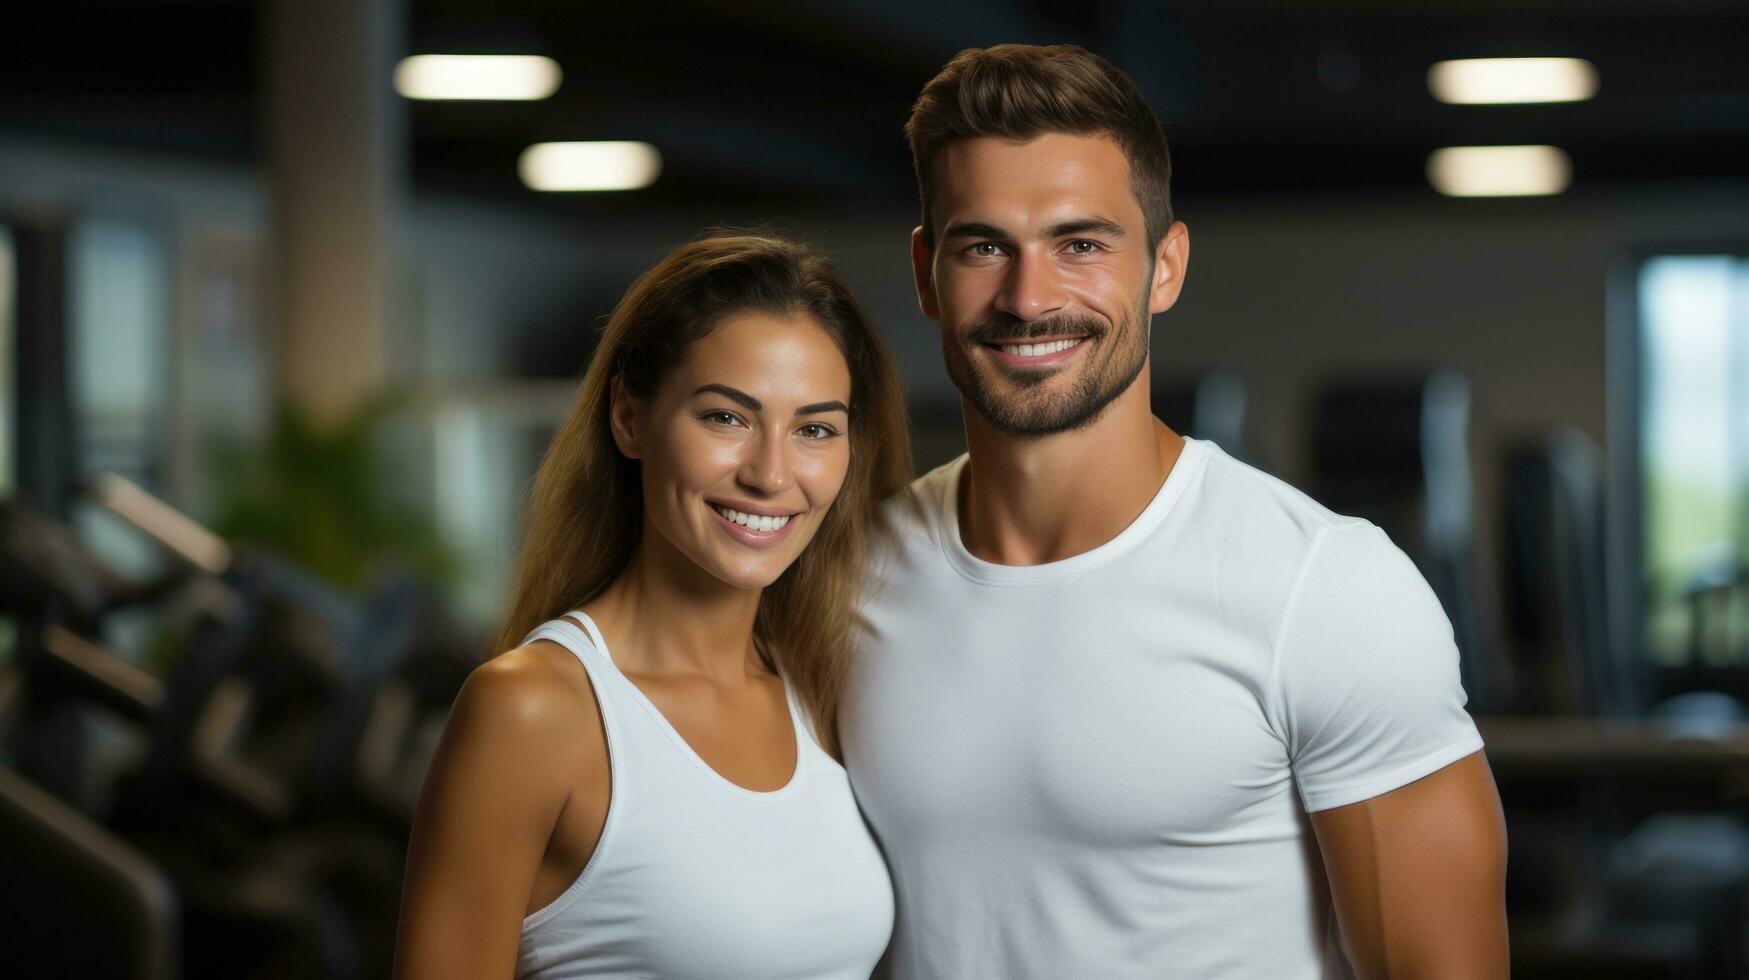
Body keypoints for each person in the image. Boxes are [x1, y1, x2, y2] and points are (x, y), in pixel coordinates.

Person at [840, 44, 1509, 978]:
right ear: (925, 273)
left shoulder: (1324, 591)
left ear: (1164, 266)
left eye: (1081, 244)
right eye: (983, 246)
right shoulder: (841, 582)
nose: (1030, 298)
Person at [395, 233, 911, 979]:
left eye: (813, 429)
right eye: (725, 418)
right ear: (630, 419)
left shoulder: (820, 689)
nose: (770, 473)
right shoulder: (534, 709)